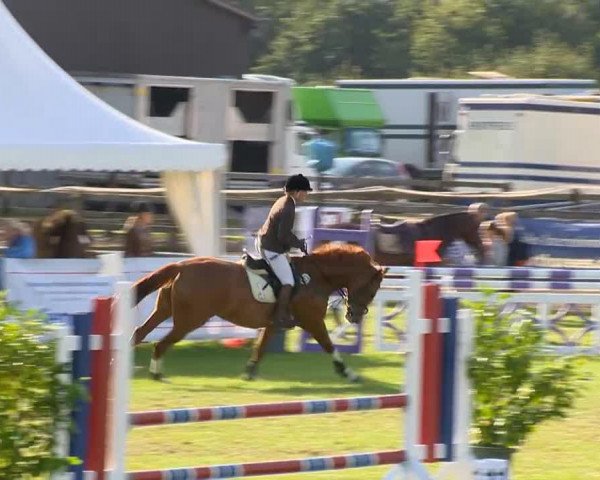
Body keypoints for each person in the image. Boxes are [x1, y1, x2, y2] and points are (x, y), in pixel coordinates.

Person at [256, 174, 312, 329]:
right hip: (270, 247)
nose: (306, 195)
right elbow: (283, 236)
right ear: (297, 191)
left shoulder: (283, 200)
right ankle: (279, 317)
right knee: (288, 281)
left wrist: (295, 242)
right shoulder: (289, 207)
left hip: (265, 241)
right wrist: (298, 243)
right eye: (305, 191)